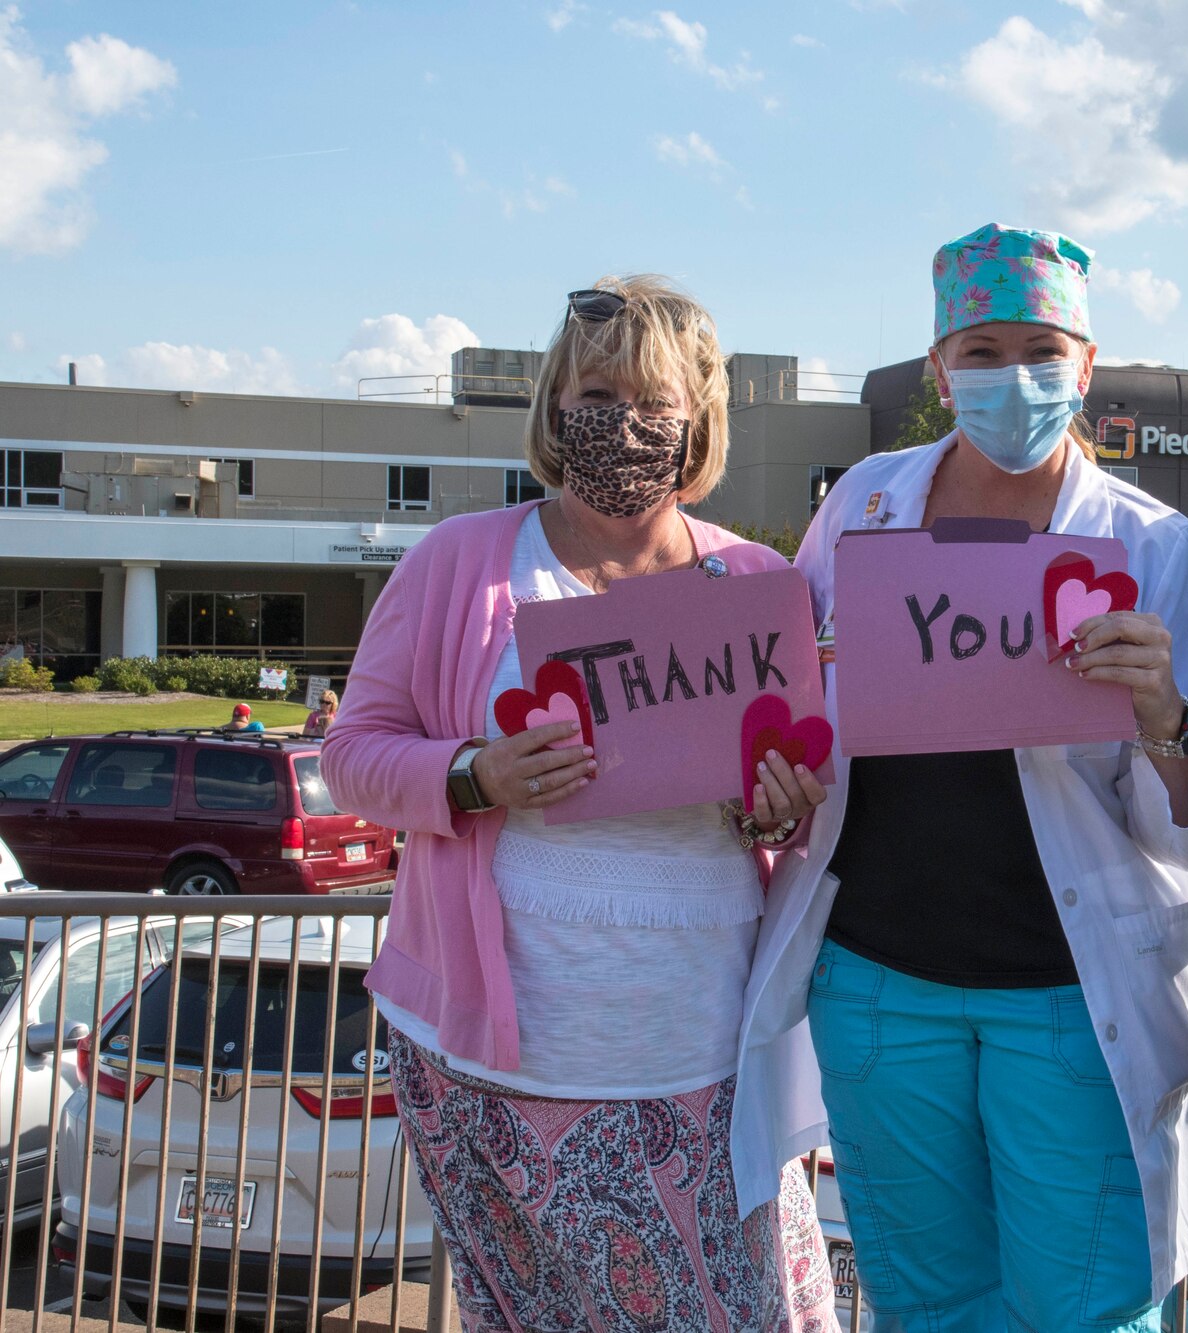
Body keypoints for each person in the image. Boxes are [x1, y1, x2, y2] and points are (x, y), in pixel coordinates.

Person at [735, 223, 1188, 1332]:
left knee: (1087, 1309)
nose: (1016, 377)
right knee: (926, 1305)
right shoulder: (862, 504)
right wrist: (781, 765)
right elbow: (794, 716)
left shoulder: (1148, 546)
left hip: (1065, 999)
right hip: (874, 986)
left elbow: (1183, 833)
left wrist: (1160, 710)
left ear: (1087, 367)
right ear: (938, 368)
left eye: (1044, 349)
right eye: (984, 349)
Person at [322, 275, 836, 1331]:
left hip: (700, 1051)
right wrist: (476, 773)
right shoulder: (459, 563)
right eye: (596, 394)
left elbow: (793, 800)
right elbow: (353, 756)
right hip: (490, 1066)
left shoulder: (757, 582)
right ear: (554, 402)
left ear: (699, 417)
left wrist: (777, 811)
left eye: (654, 401)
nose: (623, 424)